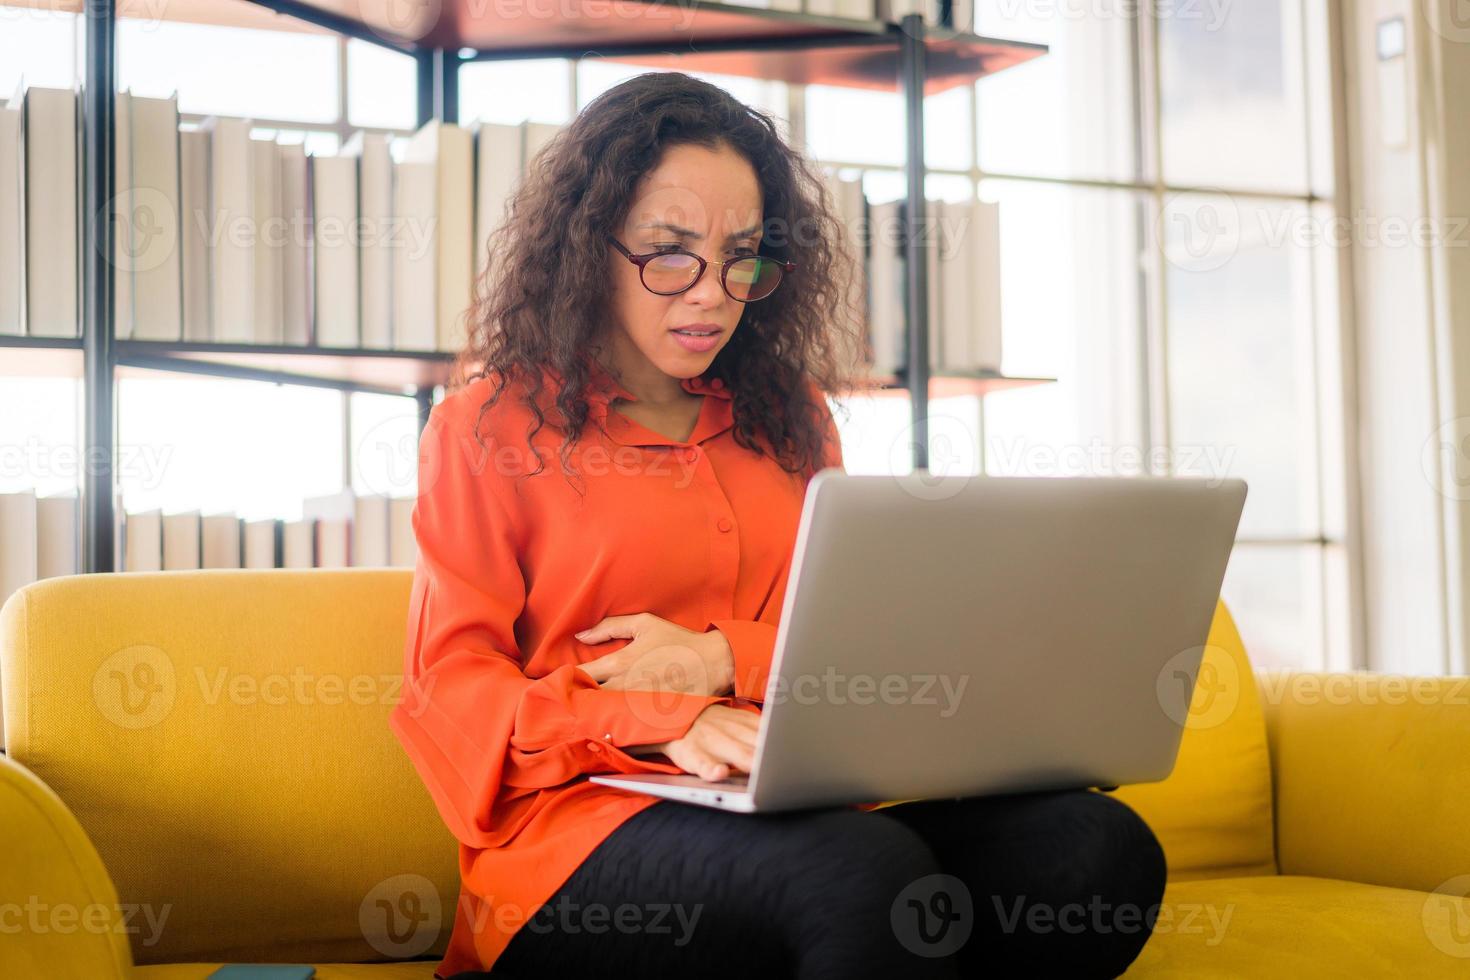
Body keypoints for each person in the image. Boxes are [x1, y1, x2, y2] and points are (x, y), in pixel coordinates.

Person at [388, 71, 1166, 980]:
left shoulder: (789, 418)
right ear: (586, 248)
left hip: (795, 805)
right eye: (669, 254)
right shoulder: (486, 426)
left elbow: (846, 645)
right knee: (862, 881)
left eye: (744, 257)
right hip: (581, 834)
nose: (713, 295)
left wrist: (722, 660)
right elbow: (450, 690)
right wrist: (661, 716)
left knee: (1091, 849)